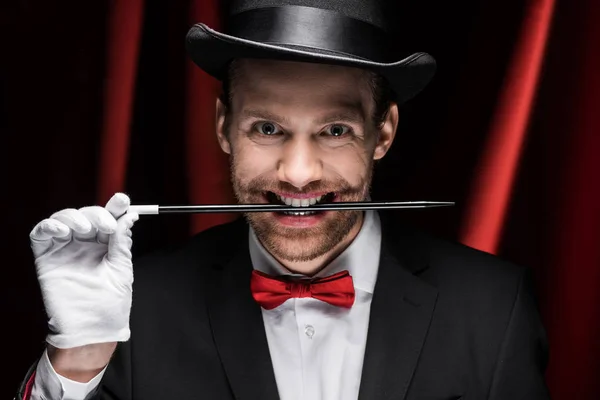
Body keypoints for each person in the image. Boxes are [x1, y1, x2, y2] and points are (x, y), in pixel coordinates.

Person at [16, 0, 550, 399]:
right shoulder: (134, 311)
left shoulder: (493, 308)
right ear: (224, 126)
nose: (298, 174)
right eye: (267, 127)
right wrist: (79, 360)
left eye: (335, 130)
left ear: (383, 133)